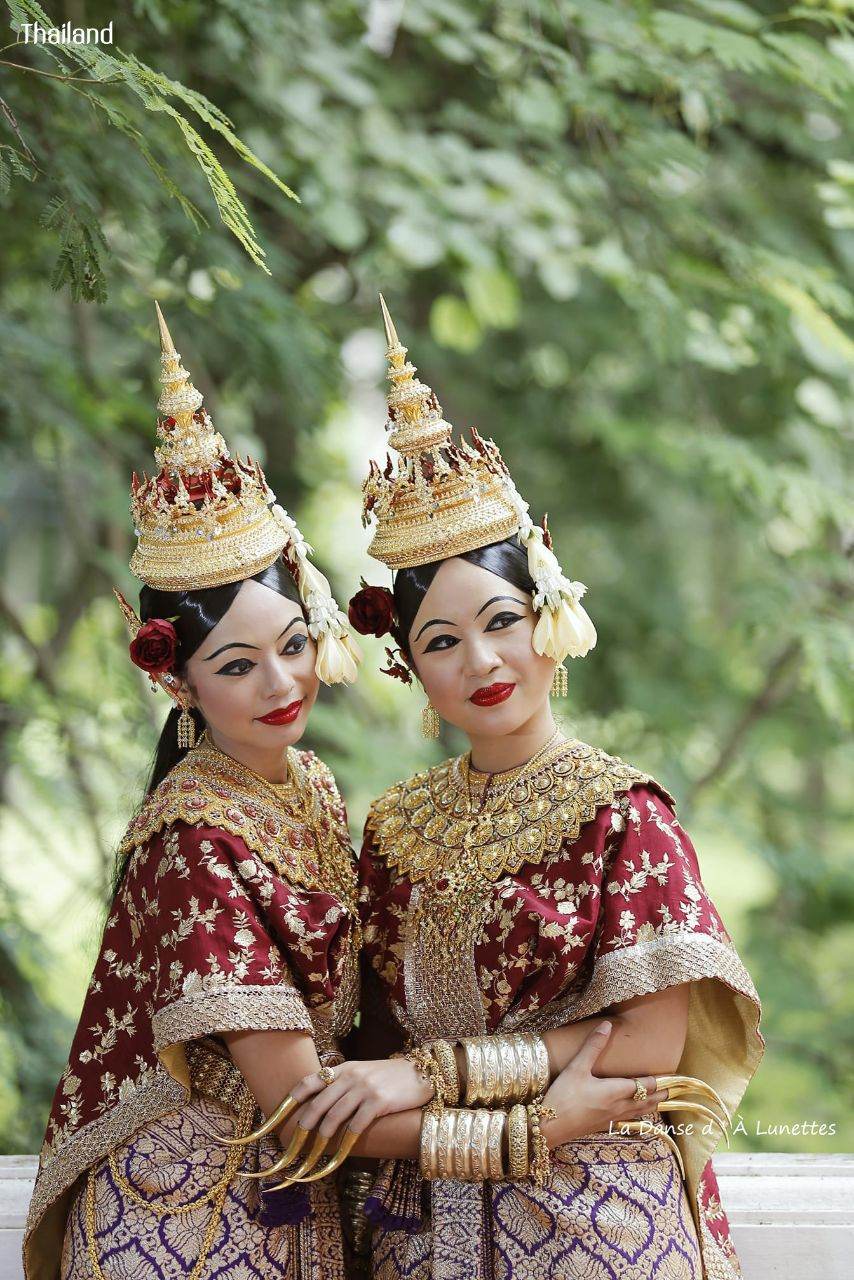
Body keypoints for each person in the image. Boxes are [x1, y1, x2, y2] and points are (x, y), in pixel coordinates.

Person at [284, 298, 764, 1280]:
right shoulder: (393, 826)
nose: (482, 660)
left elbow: (645, 1048)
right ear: (411, 669)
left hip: (592, 1217)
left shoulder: (623, 814)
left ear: (547, 618)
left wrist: (432, 1072)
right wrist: (519, 1071)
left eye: (501, 621)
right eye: (442, 641)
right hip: (421, 1218)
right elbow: (361, 1048)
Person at [23, 305, 363, 1280]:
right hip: (189, 1216)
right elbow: (295, 1091)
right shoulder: (191, 842)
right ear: (176, 680)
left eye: (294, 644)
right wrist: (517, 1119)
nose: (282, 682)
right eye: (239, 663)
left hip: (289, 1182)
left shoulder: (310, 783)